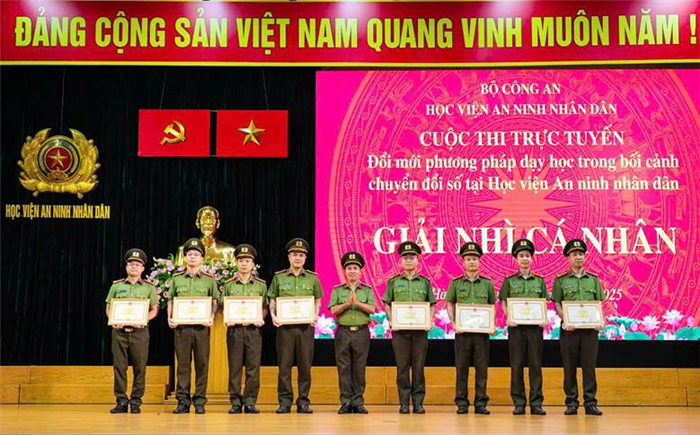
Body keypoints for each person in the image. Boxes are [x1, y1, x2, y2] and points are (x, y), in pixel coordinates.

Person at [268, 238, 323, 414]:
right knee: (284, 367)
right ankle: (284, 401)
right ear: (289, 257)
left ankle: (303, 401)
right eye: (294, 254)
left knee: (305, 367)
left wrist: (315, 315)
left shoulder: (313, 278)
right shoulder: (279, 277)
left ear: (305, 258)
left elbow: (318, 300)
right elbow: (272, 300)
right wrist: (273, 316)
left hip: (305, 328)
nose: (297, 258)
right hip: (285, 329)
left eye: (301, 255)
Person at [552, 239, 604, 416]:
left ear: (585, 256)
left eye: (581, 254)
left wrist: (599, 320)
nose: (578, 257)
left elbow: (598, 303)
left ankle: (590, 403)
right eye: (574, 254)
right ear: (569, 258)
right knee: (569, 367)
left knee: (589, 368)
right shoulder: (560, 280)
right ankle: (571, 402)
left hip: (590, 331)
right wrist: (565, 319)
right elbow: (557, 304)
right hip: (569, 331)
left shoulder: (594, 279)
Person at [383, 241, 436, 414]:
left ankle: (418, 403)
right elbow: (387, 304)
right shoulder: (393, 282)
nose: (408, 260)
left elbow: (432, 304)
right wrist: (391, 319)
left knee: (419, 368)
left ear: (417, 260)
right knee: (402, 368)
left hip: (420, 332)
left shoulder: (425, 282)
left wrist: (430, 319)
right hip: (400, 332)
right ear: (400, 261)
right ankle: (404, 403)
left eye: (412, 257)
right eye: (405, 258)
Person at [168, 238, 218, 414]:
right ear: (185, 257)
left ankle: (200, 401)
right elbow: (171, 300)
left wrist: (211, 316)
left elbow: (215, 301)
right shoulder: (176, 279)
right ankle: (182, 401)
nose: (192, 257)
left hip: (201, 329)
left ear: (202, 258)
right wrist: (170, 318)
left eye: (196, 254)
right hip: (181, 328)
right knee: (183, 365)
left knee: (202, 365)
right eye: (189, 254)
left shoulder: (209, 280)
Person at [105, 248, 159, 414]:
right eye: (131, 264)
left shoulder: (149, 288)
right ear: (126, 266)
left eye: (137, 264)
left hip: (140, 333)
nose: (134, 267)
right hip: (119, 332)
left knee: (139, 368)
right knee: (119, 367)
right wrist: (113, 320)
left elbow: (154, 309)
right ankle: (121, 400)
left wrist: (145, 320)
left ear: (143, 268)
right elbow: (109, 306)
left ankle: (136, 401)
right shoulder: (117, 286)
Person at [499, 238, 548, 416]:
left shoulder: (539, 281)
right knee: (517, 366)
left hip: (535, 329)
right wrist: (509, 317)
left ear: (531, 258)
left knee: (535, 366)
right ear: (516, 259)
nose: (525, 258)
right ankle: (519, 403)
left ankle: (536, 403)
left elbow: (544, 302)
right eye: (521, 256)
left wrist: (543, 317)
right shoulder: (509, 281)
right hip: (516, 329)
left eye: (527, 255)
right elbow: (503, 302)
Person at [445, 242, 495, 415]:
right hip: (463, 333)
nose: (472, 261)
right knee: (462, 369)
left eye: (474, 258)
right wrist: (454, 323)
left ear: (479, 261)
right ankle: (462, 402)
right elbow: (449, 304)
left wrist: (492, 324)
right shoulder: (455, 283)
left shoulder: (487, 283)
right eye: (468, 259)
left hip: (481, 333)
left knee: (482, 369)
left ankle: (481, 402)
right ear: (463, 262)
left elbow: (492, 305)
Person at [221, 244, 267, 414]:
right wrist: (227, 317)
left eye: (247, 261)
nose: (244, 264)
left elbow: (265, 307)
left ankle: (250, 401)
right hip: (235, 331)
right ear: (236, 263)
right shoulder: (229, 285)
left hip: (254, 331)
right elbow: (224, 306)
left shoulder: (261, 285)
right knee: (234, 367)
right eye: (241, 260)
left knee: (253, 367)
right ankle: (235, 401)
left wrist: (261, 317)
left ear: (253, 264)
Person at [328, 251, 376, 414]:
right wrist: (347, 303)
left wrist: (358, 303)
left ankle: (358, 402)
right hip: (343, 332)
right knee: (343, 368)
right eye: (349, 268)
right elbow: (333, 310)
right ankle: (346, 402)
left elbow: (372, 309)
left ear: (360, 271)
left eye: (355, 268)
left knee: (359, 368)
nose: (352, 271)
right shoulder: (338, 290)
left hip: (361, 332)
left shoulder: (367, 290)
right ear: (345, 271)